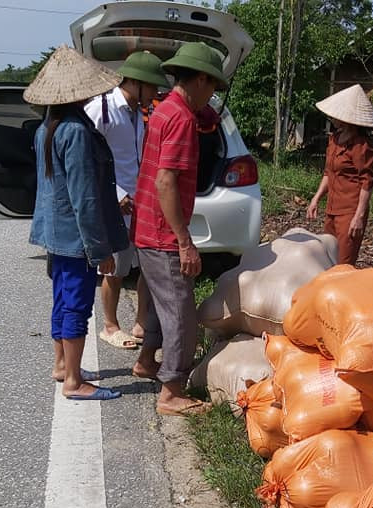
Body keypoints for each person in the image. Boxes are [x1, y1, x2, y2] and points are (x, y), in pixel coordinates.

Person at [26, 45, 131, 401]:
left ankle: (61, 365)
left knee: (61, 299)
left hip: (57, 234)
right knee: (76, 304)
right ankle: (73, 381)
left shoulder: (48, 128)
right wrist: (99, 251)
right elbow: (84, 199)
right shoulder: (78, 133)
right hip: (76, 239)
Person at [130, 42, 227, 416]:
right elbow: (166, 181)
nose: (212, 95)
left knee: (158, 302)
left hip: (147, 228)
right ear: (200, 78)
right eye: (212, 87)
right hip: (163, 233)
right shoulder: (182, 118)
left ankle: (146, 361)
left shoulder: (163, 110)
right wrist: (185, 242)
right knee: (182, 312)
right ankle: (172, 391)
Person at [83, 51, 170, 350]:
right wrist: (115, 196)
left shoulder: (138, 115)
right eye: (151, 86)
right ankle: (110, 325)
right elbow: (87, 159)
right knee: (115, 268)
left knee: (148, 266)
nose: (155, 93)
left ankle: (141, 322)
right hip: (115, 204)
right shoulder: (102, 109)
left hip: (141, 203)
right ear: (134, 82)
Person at [306, 84, 373, 266]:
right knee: (327, 257)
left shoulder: (361, 146)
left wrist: (359, 216)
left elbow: (367, 181)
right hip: (332, 209)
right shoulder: (334, 139)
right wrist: (316, 199)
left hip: (349, 211)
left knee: (344, 264)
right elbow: (328, 173)